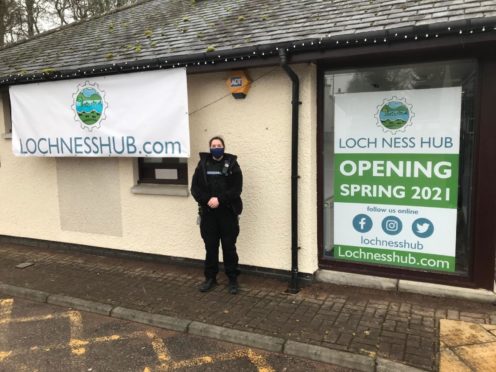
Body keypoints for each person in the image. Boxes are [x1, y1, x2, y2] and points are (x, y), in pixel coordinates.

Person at [191, 136, 243, 294]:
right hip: (208, 214)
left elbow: (236, 189)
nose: (216, 147)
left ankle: (232, 280)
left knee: (229, 248)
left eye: (219, 145)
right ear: (210, 148)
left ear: (224, 147)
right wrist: (208, 200)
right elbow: (195, 189)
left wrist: (220, 199)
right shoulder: (202, 165)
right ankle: (210, 279)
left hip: (227, 213)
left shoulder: (233, 165)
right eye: (213, 145)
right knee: (210, 247)